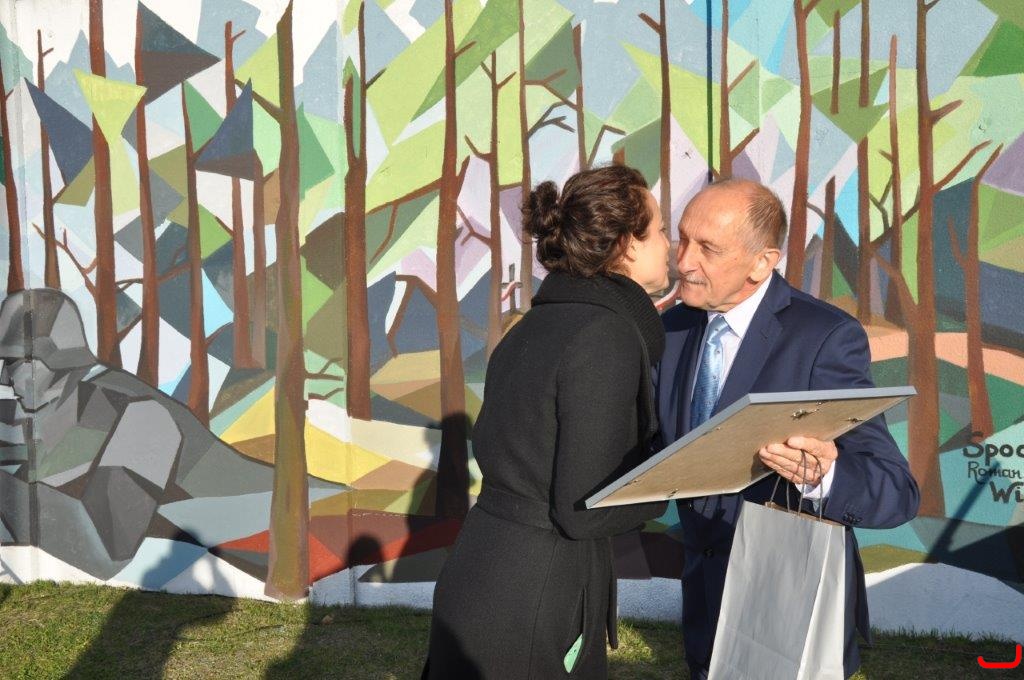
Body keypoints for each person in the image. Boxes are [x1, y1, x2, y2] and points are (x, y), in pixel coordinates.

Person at [654, 178, 920, 679]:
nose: (684, 261)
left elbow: (895, 491)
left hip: (790, 610)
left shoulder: (824, 337)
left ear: (762, 262)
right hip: (704, 610)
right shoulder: (670, 332)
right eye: (682, 239)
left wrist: (822, 476)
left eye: (708, 248)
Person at [423, 164, 671, 679]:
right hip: (534, 594)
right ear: (627, 245)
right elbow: (585, 510)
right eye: (661, 231)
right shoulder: (604, 336)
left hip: (486, 572)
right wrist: (678, 482)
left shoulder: (535, 324)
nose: (671, 246)